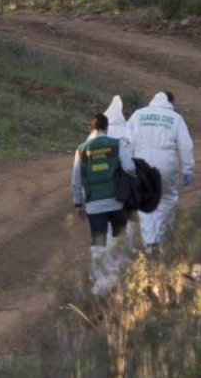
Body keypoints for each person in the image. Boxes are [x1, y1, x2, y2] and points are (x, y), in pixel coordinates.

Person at [72, 113, 136, 294]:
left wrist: (78, 204)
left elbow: (76, 181)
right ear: (107, 128)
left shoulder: (82, 149)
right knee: (119, 239)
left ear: (91, 129)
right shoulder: (116, 144)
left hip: (94, 205)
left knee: (98, 242)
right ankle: (120, 281)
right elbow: (129, 167)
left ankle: (99, 282)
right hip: (116, 203)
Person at [124, 91, 194, 253]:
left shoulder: (138, 115)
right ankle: (163, 239)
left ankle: (150, 243)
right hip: (166, 165)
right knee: (167, 198)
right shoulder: (175, 118)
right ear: (170, 103)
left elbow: (127, 141)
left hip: (142, 165)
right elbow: (186, 145)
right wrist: (187, 169)